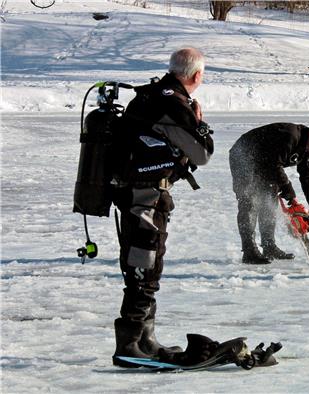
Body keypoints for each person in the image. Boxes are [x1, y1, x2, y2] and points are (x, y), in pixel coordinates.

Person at [111, 47, 214, 366]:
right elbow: (201, 154)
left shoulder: (151, 94)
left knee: (145, 264)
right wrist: (200, 124)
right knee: (144, 264)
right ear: (197, 75)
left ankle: (144, 338)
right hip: (145, 196)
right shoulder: (172, 102)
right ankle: (128, 344)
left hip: (136, 192)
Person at [229, 122, 309, 264]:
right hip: (243, 155)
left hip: (263, 161)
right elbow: (274, 164)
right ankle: (249, 251)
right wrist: (287, 188)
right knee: (249, 201)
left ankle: (268, 246)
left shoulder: (308, 151)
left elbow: (308, 179)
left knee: (269, 199)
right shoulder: (290, 136)